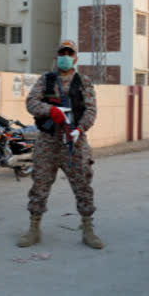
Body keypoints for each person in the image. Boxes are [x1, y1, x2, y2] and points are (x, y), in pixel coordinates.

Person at [18, 40, 103, 249]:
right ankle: (34, 228)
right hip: (48, 140)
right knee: (40, 184)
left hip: (74, 140)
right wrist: (50, 111)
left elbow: (91, 110)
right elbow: (31, 103)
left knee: (82, 184)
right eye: (62, 52)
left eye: (69, 52)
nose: (65, 56)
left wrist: (79, 129)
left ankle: (88, 228)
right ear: (57, 56)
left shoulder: (83, 82)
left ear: (75, 57)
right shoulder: (46, 80)